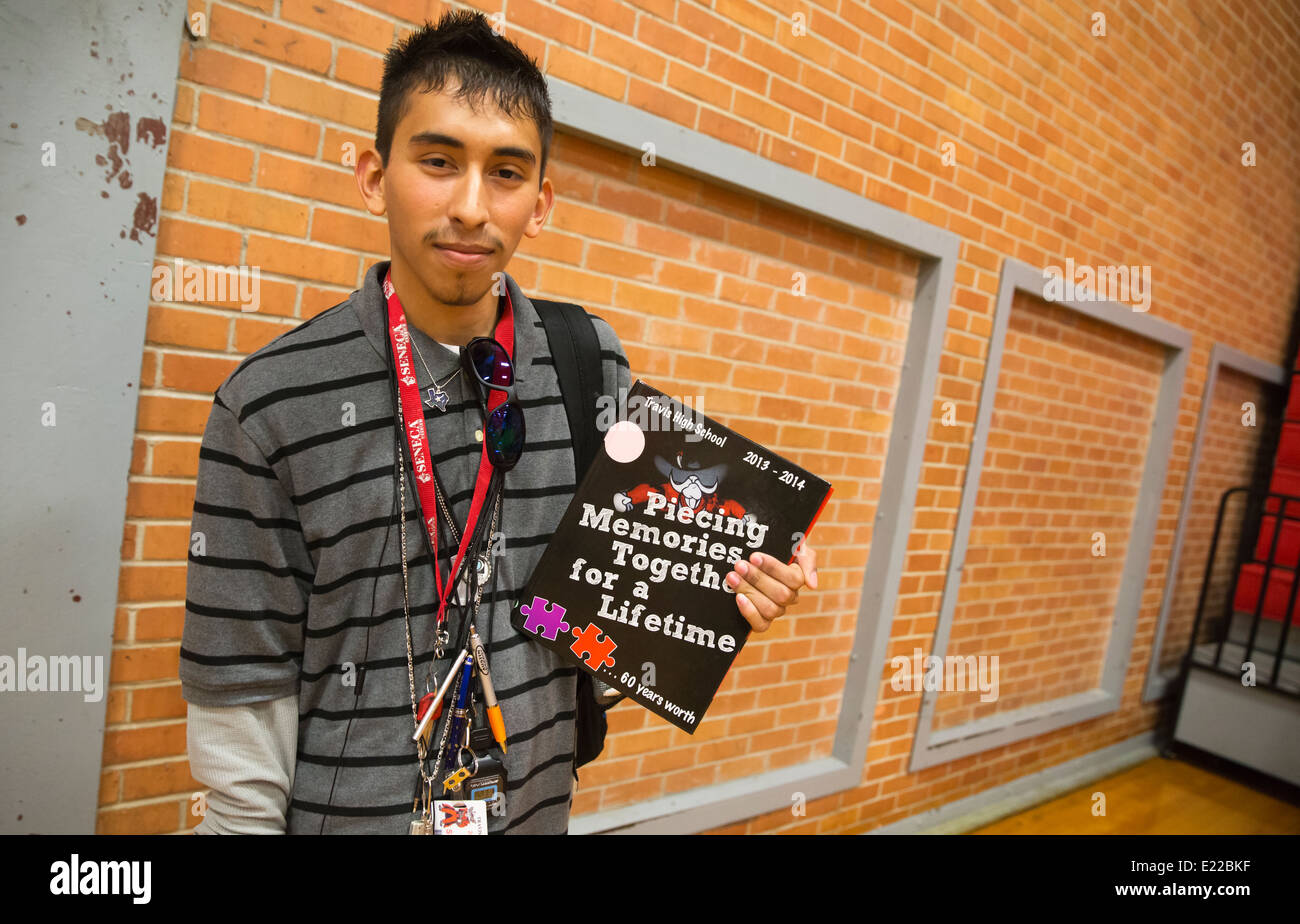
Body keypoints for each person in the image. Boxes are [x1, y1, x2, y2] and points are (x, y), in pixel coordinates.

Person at [179, 8, 818, 834]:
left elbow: (610, 614)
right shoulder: (269, 403)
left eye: (507, 174)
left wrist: (727, 589)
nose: (472, 207)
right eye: (439, 162)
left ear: (541, 204)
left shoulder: (589, 361)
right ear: (374, 175)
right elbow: (244, 699)